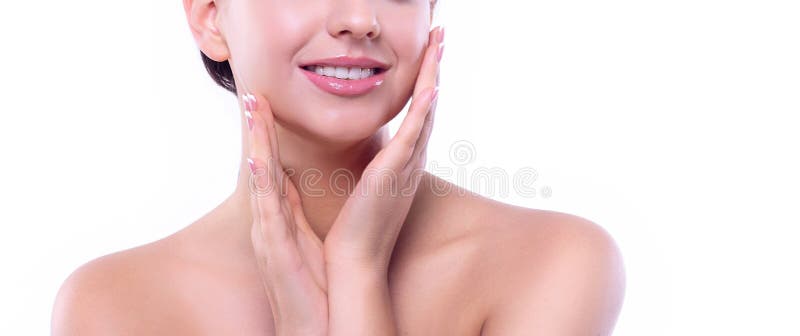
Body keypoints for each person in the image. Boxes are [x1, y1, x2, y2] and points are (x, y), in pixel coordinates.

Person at [51, 0, 625, 334]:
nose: (359, 18)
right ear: (210, 17)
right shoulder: (115, 306)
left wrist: (357, 273)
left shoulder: (553, 262)